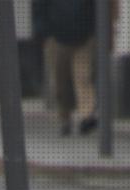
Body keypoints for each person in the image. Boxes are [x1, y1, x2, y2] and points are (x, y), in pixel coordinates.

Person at [34, 0, 99, 136]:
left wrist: (93, 30)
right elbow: (39, 8)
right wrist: (44, 33)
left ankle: (86, 115)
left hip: (83, 38)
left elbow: (95, 7)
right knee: (60, 82)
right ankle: (65, 117)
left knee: (83, 76)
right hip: (57, 38)